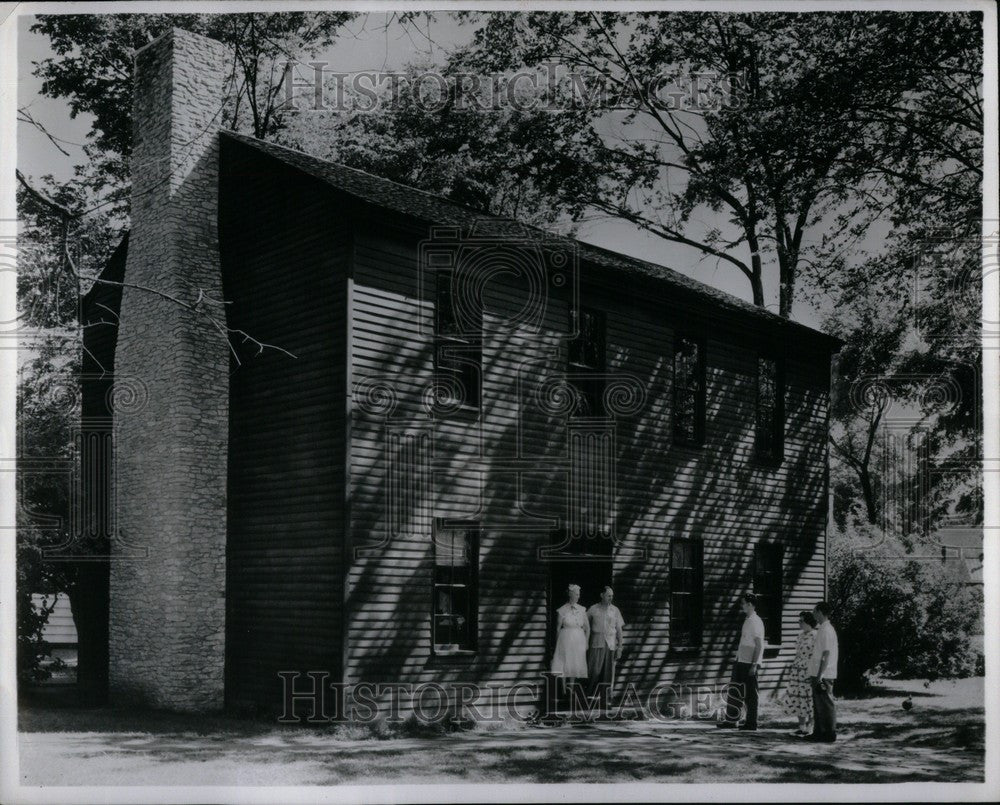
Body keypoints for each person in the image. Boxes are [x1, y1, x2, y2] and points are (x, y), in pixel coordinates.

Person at [718, 592, 765, 731]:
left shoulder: (756, 622)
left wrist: (754, 664)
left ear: (750, 604)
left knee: (751, 694)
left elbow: (759, 645)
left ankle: (751, 723)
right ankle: (732, 720)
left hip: (749, 663)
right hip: (741, 661)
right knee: (735, 691)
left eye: (743, 603)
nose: (742, 606)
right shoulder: (748, 620)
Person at [778, 610, 817, 736]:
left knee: (809, 698)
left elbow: (817, 655)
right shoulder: (800, 636)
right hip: (797, 670)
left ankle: (810, 727)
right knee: (797, 697)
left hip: (809, 669)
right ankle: (801, 727)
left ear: (808, 622)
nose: (799, 623)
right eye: (799, 620)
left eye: (801, 621)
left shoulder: (815, 635)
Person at [805, 600, 839, 742]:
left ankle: (829, 733)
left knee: (825, 703)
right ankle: (818, 732)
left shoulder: (826, 630)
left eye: (814, 612)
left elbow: (826, 655)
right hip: (817, 673)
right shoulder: (823, 629)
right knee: (818, 704)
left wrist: (820, 675)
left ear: (820, 612)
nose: (813, 615)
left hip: (824, 674)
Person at [586, 586, 625, 707]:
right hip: (596, 643)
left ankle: (606, 700)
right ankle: (589, 699)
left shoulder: (615, 610)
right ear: (602, 595)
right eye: (608, 595)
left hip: (611, 644)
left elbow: (619, 630)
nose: (611, 598)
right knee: (594, 671)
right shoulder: (593, 609)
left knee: (608, 674)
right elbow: (584, 625)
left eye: (612, 596)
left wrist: (620, 647)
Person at [551, 583, 589, 705]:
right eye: (576, 594)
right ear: (570, 595)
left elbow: (587, 628)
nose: (578, 597)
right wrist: (557, 642)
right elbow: (557, 628)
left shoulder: (582, 609)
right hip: (565, 638)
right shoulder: (562, 610)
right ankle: (563, 691)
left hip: (578, 639)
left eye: (579, 594)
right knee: (564, 662)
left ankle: (571, 691)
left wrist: (586, 642)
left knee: (574, 662)